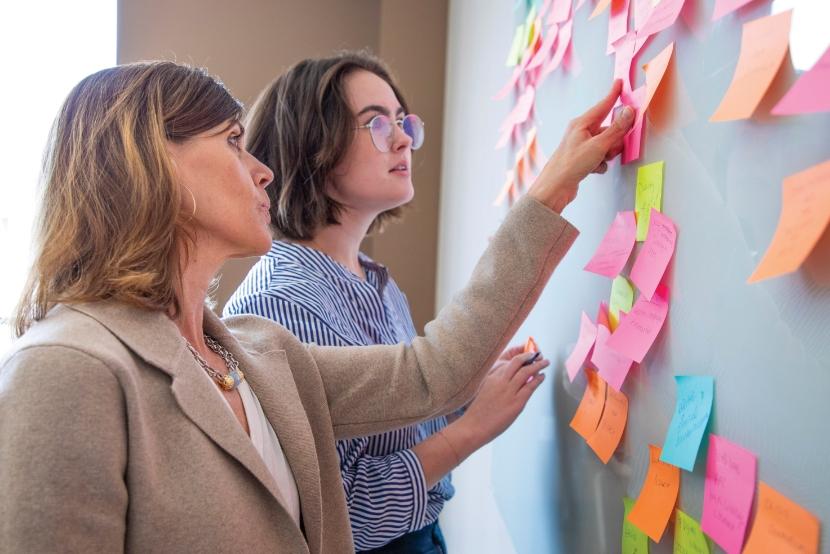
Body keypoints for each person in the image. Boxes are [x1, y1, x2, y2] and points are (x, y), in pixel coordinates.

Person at [0, 60, 633, 554]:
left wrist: (552, 189)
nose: (263, 171)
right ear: (152, 161)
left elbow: (432, 372)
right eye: (232, 142)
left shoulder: (258, 354)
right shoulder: (67, 369)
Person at [225, 51, 539, 553]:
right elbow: (342, 513)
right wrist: (473, 429)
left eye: (402, 121)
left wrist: (467, 395)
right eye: (374, 124)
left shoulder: (379, 286)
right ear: (311, 146)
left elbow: (401, 421)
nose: (402, 140)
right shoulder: (282, 302)